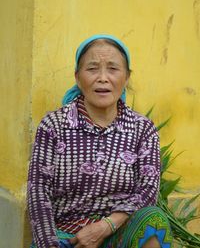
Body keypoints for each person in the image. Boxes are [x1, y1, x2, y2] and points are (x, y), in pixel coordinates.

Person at [27, 34, 173, 248]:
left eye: (113, 69)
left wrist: (106, 226)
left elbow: (148, 190)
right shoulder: (54, 125)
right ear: (77, 77)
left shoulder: (143, 129)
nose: (103, 78)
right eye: (93, 68)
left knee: (154, 219)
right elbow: (39, 191)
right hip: (67, 237)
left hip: (118, 233)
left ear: (126, 77)